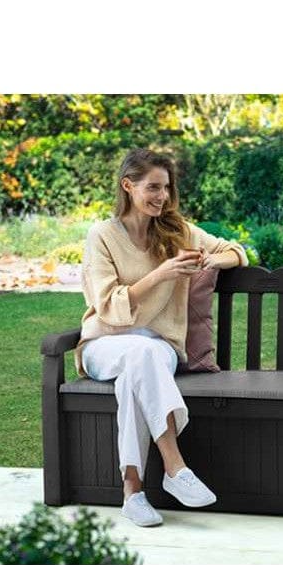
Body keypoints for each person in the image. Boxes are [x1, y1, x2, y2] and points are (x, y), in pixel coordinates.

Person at [74, 148, 249, 527]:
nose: (163, 196)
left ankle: (133, 493)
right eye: (153, 187)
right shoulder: (102, 235)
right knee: (138, 359)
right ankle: (174, 466)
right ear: (128, 186)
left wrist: (212, 260)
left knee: (138, 369)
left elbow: (236, 251)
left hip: (158, 348)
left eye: (166, 188)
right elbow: (107, 305)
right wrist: (161, 274)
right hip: (104, 345)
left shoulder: (177, 231)